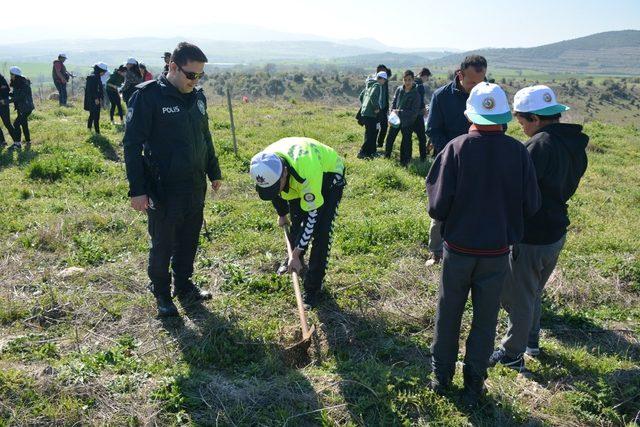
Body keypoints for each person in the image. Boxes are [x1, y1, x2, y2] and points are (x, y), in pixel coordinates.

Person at [426, 82, 540, 407]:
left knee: (449, 313)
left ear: (470, 114)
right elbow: (531, 204)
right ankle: (474, 383)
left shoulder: (456, 148)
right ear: (503, 115)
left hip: (459, 250)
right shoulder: (518, 151)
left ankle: (441, 377)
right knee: (486, 318)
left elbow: (436, 206)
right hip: (497, 254)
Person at [489, 85, 588, 371]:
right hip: (556, 229)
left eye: (521, 121)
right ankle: (531, 341)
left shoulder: (538, 145)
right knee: (533, 291)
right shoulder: (574, 143)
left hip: (532, 234)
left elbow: (517, 192)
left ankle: (512, 355)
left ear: (534, 118)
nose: (520, 127)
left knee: (517, 296)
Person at [123, 42, 221, 317]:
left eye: (199, 76)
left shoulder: (197, 98)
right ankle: (162, 293)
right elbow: (132, 145)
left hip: (194, 184)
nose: (195, 80)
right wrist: (138, 191)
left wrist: (214, 171)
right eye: (191, 74)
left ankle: (184, 285)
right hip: (163, 188)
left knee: (189, 238)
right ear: (173, 67)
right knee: (163, 242)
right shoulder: (148, 97)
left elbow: (205, 136)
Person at [249, 137, 346, 309]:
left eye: (276, 187)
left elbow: (312, 217)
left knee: (321, 232)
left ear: (284, 174)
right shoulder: (265, 164)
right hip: (299, 174)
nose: (275, 191)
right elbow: (274, 192)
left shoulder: (307, 175)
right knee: (296, 220)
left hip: (327, 174)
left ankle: (312, 288)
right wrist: (282, 213)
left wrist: (295, 253)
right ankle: (296, 260)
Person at [425, 55, 488, 266]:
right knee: (442, 206)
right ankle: (436, 251)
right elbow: (433, 129)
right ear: (459, 75)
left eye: (481, 82)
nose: (477, 88)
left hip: (480, 163)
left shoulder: (488, 94)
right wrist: (452, 154)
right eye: (472, 83)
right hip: (448, 161)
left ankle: (465, 248)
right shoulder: (442, 96)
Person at [384, 70, 421, 166]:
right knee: (390, 138)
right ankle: (386, 156)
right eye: (405, 80)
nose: (407, 82)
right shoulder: (399, 89)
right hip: (395, 120)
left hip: (407, 122)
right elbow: (394, 101)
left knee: (406, 141)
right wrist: (392, 111)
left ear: (413, 80)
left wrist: (399, 112)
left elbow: (414, 112)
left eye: (409, 80)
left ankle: (405, 161)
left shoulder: (416, 95)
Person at [357, 71, 387, 159]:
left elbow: (361, 96)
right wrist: (376, 108)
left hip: (365, 113)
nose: (384, 82)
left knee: (370, 132)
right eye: (384, 80)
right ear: (380, 78)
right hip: (371, 114)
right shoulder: (377, 85)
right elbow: (373, 96)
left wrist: (365, 106)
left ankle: (371, 152)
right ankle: (362, 152)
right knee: (371, 134)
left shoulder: (369, 85)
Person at [8, 66, 34, 150]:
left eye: (11, 74)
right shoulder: (18, 82)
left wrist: (6, 101)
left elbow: (20, 97)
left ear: (15, 75)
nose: (10, 76)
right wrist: (7, 93)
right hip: (22, 107)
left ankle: (17, 144)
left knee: (16, 124)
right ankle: (28, 141)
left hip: (25, 108)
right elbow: (16, 94)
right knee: (24, 123)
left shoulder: (23, 84)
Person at [413, 67, 432, 161]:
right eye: (427, 78)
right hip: (417, 114)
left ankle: (406, 157)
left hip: (408, 114)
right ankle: (423, 158)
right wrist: (424, 111)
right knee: (422, 138)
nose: (427, 80)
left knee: (407, 136)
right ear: (424, 76)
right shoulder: (420, 86)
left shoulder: (412, 82)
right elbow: (420, 101)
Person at [84, 63, 108, 134]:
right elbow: (92, 89)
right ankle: (97, 132)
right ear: (100, 71)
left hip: (93, 99)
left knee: (92, 115)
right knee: (96, 116)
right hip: (94, 100)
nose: (104, 73)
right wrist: (96, 98)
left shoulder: (95, 77)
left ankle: (89, 129)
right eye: (104, 72)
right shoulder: (93, 77)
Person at [375, 64, 391, 148]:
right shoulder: (374, 81)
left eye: (384, 71)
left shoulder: (385, 82)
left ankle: (380, 143)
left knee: (384, 126)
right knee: (376, 127)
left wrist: (387, 108)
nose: (383, 73)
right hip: (376, 109)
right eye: (381, 71)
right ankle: (373, 143)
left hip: (383, 108)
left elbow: (386, 95)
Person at [0, 72, 16, 147]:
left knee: (7, 123)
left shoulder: (1, 79)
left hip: (3, 105)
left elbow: (7, 90)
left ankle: (16, 142)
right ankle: (2, 142)